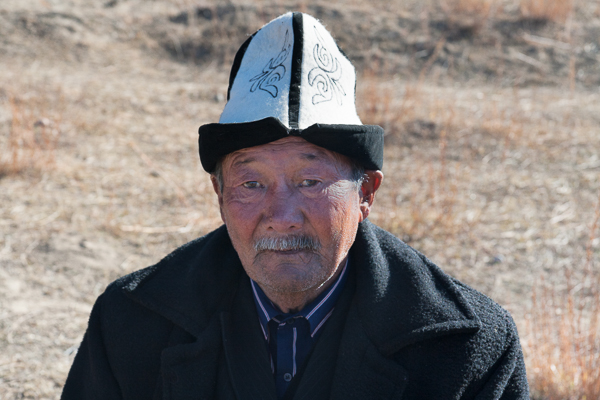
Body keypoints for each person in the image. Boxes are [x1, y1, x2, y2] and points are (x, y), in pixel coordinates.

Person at [61, 12, 529, 400]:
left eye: (310, 180)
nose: (281, 215)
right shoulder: (130, 324)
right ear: (219, 195)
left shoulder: (466, 348)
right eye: (251, 182)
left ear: (366, 194)